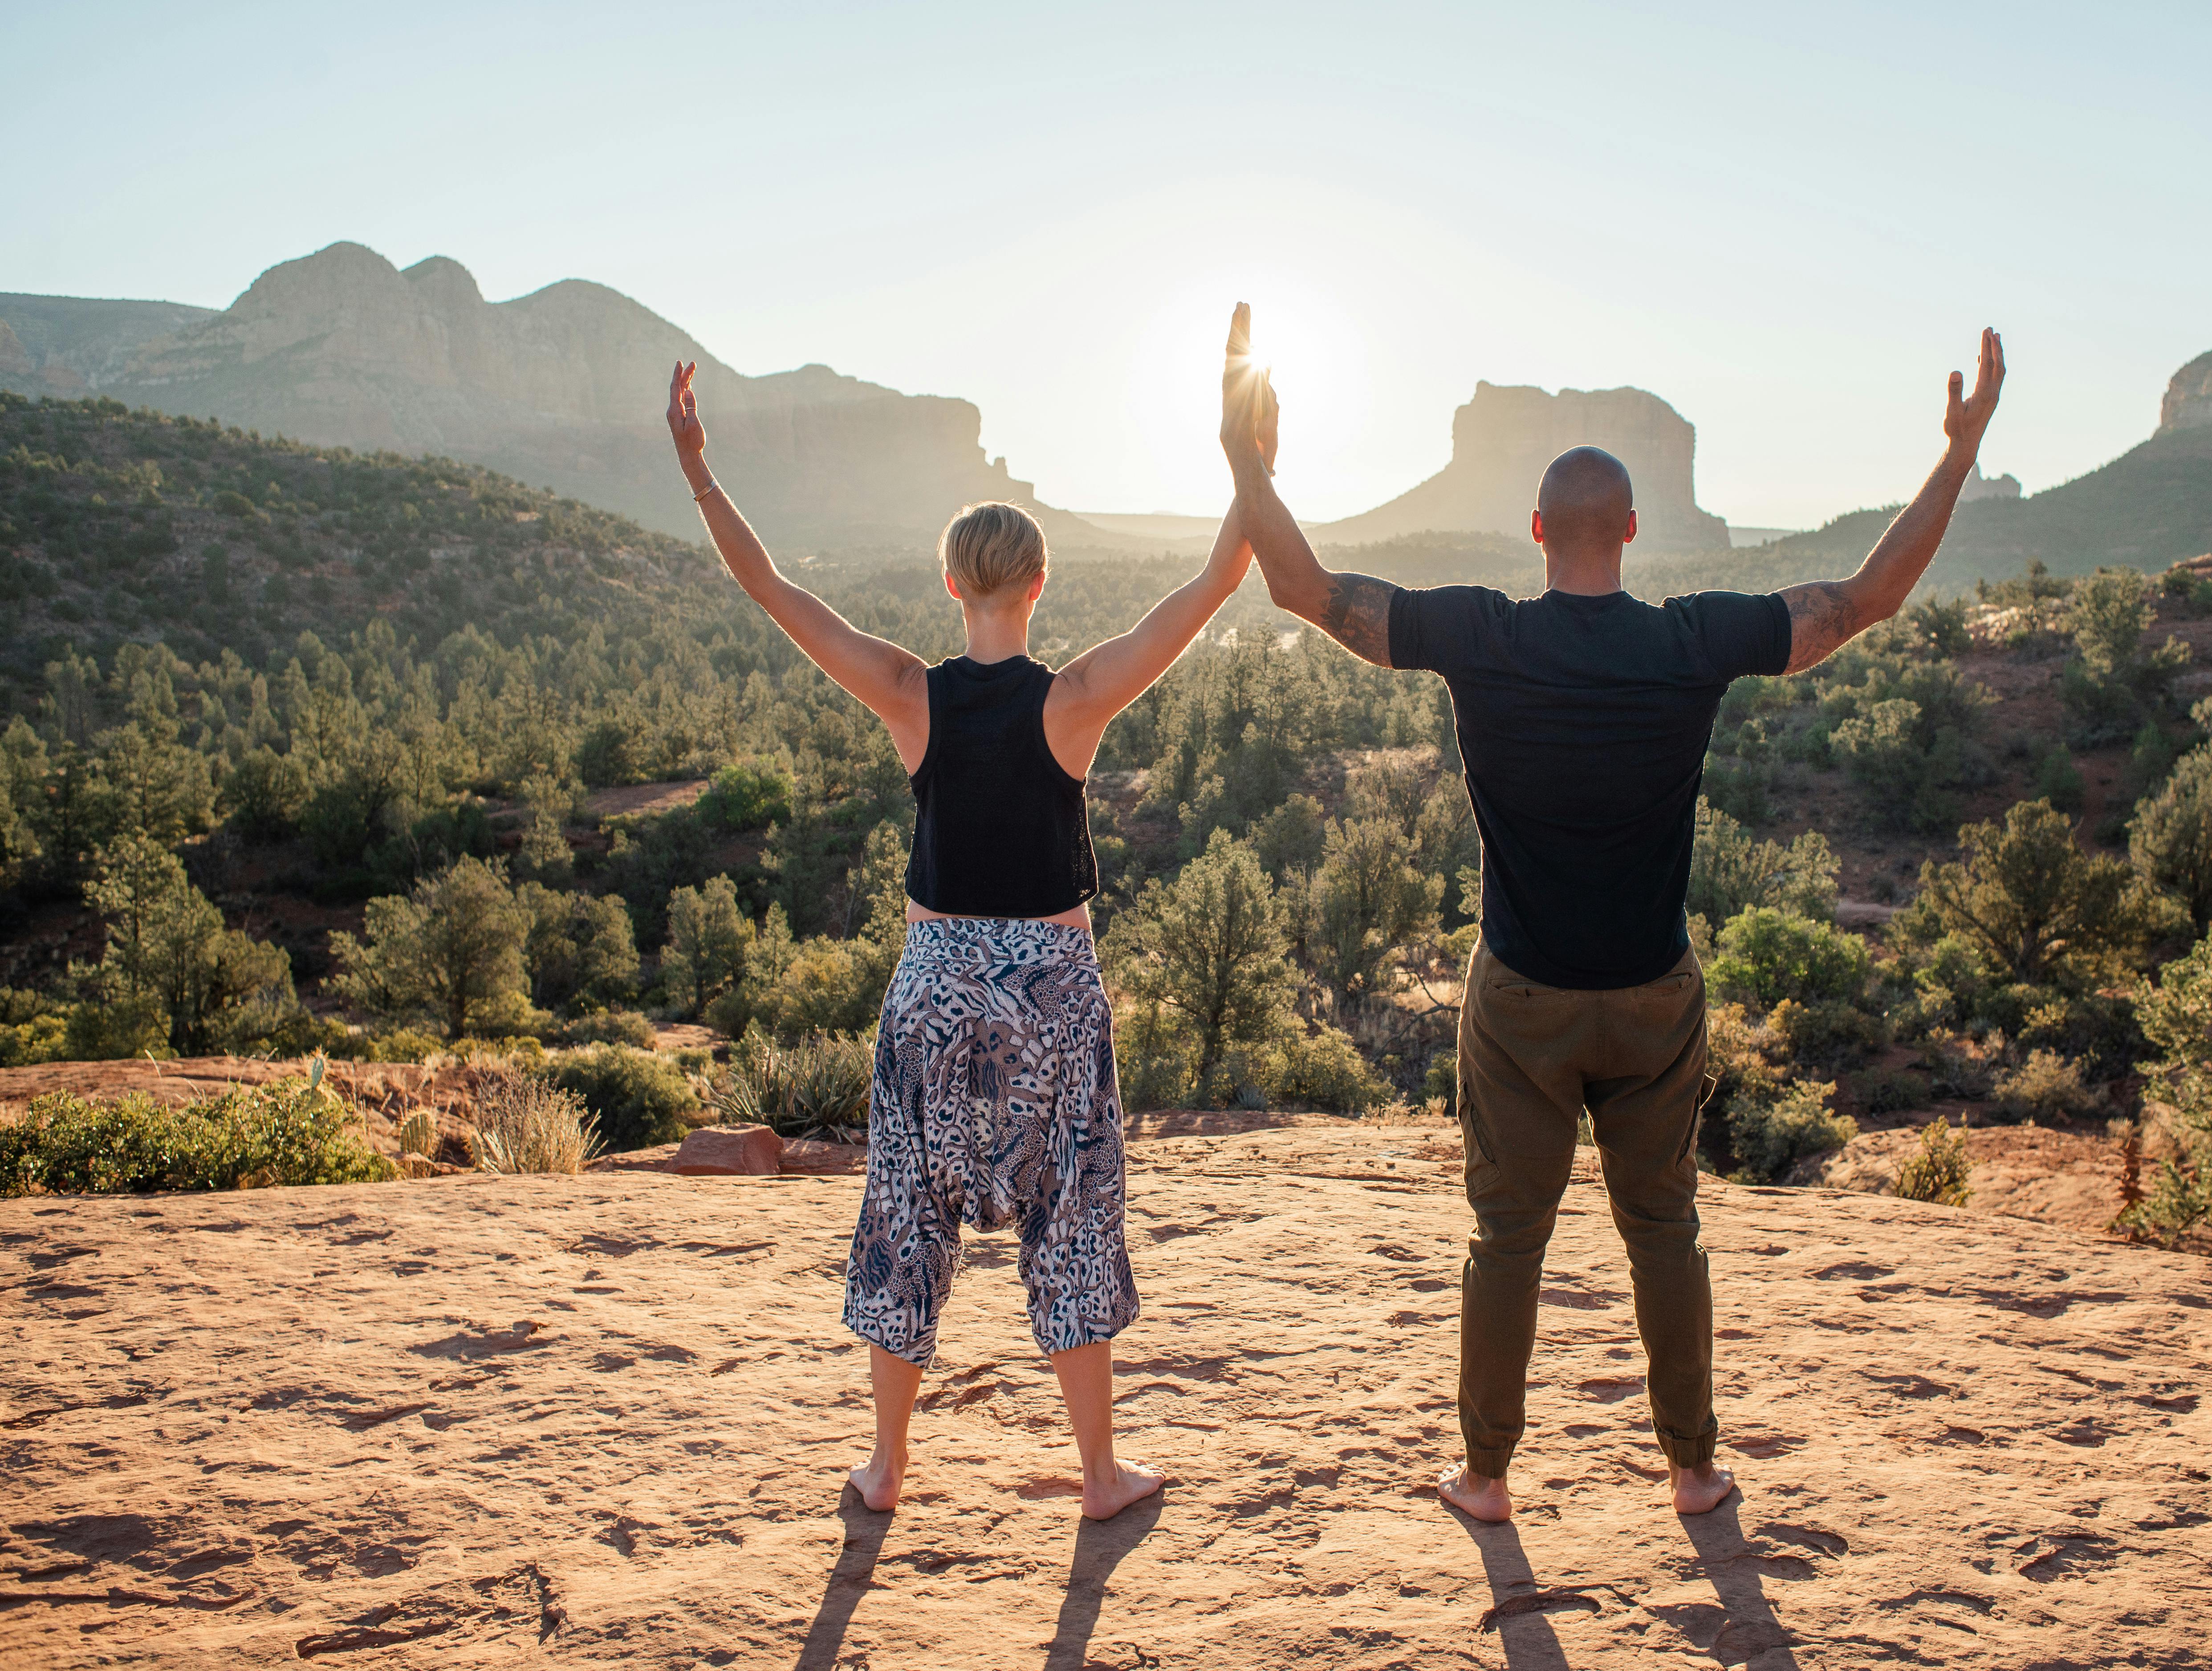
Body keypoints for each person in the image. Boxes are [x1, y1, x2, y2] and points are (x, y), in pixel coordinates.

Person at [1216, 306, 2005, 1520]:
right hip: (1652, 991)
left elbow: (1307, 589)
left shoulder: (1477, 634)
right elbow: (1863, 601)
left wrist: (1248, 461)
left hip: (1522, 994)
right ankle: (1693, 1469)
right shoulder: (1694, 641)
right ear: (1632, 531)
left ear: (1537, 531)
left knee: (1506, 1239)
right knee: (1666, 1230)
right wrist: (1957, 455)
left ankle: (1485, 1477)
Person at [664, 358, 1257, 1521]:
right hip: (1050, 986)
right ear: (1040, 583)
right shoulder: (1074, 697)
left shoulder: (907, 691)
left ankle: (886, 1466)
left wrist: (698, 470)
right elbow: (1210, 582)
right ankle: (1100, 1474)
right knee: (1072, 1219)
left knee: (905, 1218)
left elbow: (773, 587)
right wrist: (1249, 460)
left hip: (933, 987)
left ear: (951, 583)